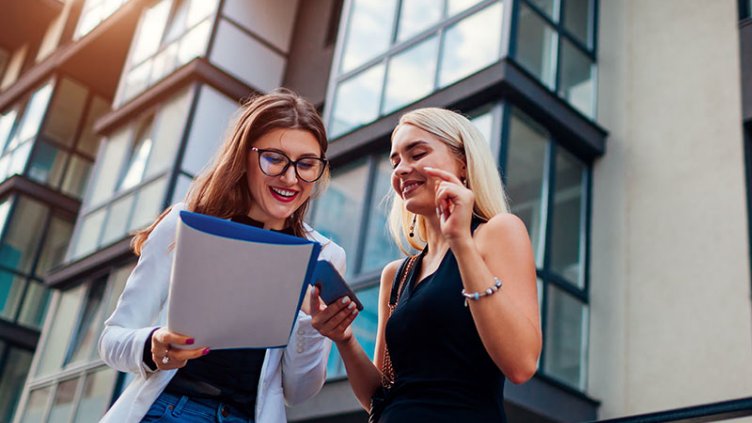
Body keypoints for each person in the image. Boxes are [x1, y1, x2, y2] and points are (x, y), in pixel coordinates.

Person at [98, 89, 347, 423]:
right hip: (170, 410)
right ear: (244, 157)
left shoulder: (325, 257)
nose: (291, 178)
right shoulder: (185, 224)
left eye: (306, 164)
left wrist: (313, 327)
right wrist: (153, 344)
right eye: (274, 159)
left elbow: (297, 391)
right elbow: (112, 339)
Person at [311, 107, 541, 422]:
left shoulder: (497, 233)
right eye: (395, 162)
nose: (402, 169)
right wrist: (345, 339)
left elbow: (521, 363)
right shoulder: (397, 274)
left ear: (462, 162)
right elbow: (380, 398)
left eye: (417, 154)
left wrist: (460, 242)